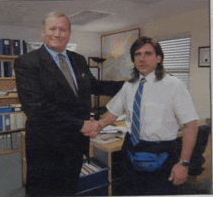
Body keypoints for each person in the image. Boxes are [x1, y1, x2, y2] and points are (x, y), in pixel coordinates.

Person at [14, 12, 123, 196]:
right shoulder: (27, 62)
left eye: (63, 29)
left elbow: (94, 85)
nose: (57, 34)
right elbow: (37, 109)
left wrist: (130, 84)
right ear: (43, 32)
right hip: (46, 148)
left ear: (69, 33)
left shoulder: (78, 60)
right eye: (52, 29)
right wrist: (82, 124)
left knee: (69, 190)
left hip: (74, 145)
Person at [98, 36, 199, 195]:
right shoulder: (129, 86)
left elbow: (191, 126)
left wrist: (183, 163)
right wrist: (96, 126)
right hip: (131, 150)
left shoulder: (174, 86)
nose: (142, 59)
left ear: (159, 58)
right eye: (137, 54)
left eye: (148, 54)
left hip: (162, 155)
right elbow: (112, 112)